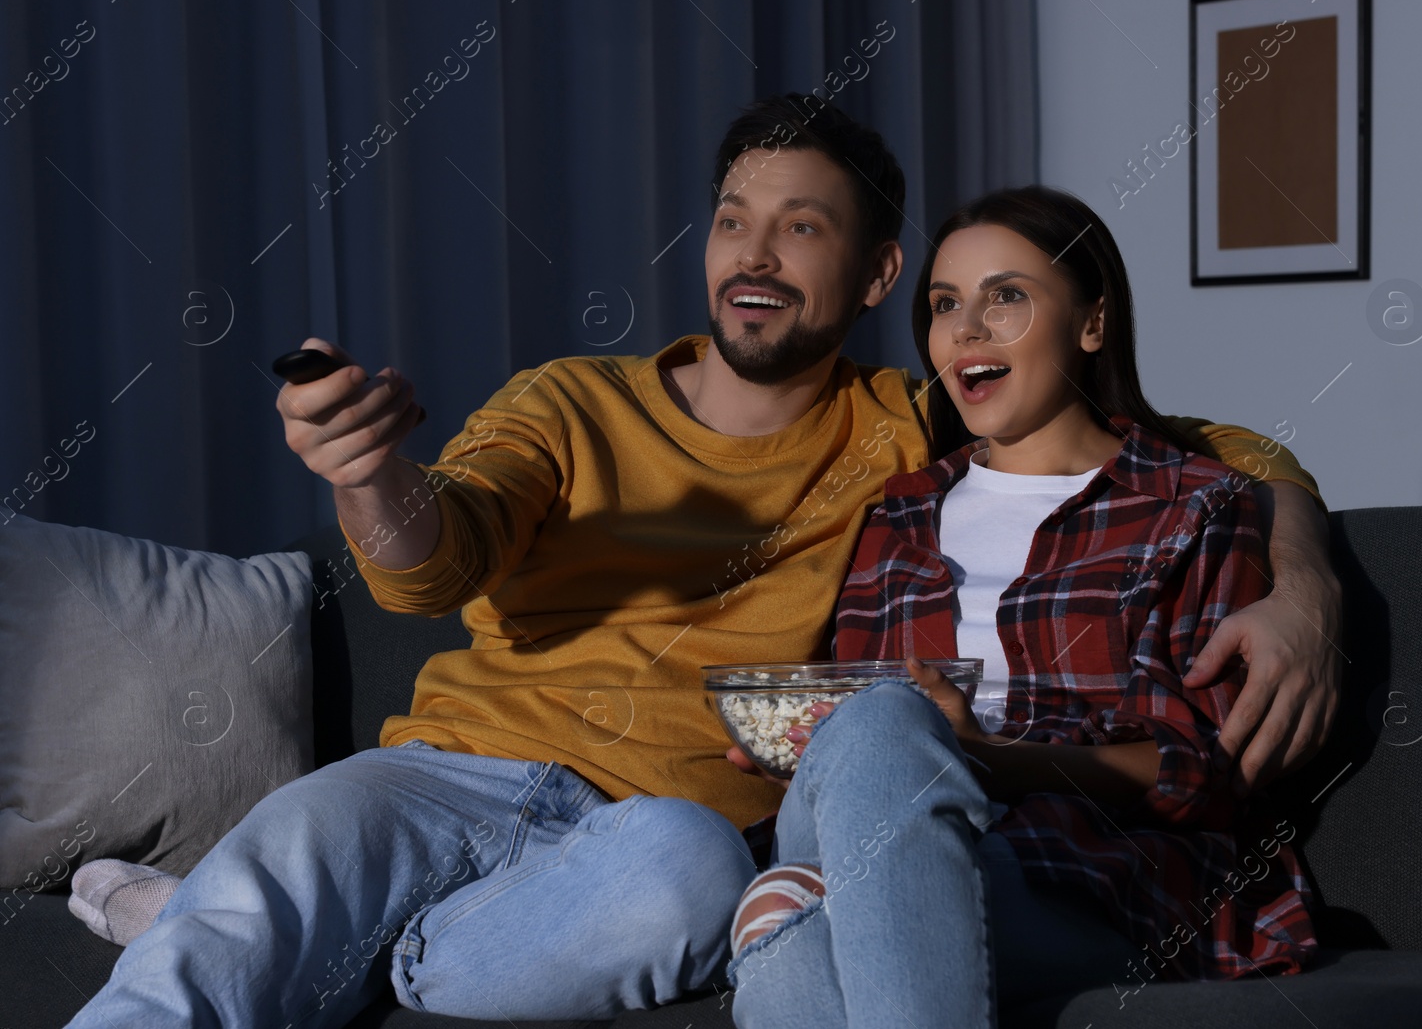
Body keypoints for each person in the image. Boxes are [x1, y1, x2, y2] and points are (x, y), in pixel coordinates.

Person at [65, 95, 1336, 1027]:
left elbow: (1189, 442)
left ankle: (352, 958)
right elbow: (433, 556)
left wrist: (1304, 583)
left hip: (650, 837)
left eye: (800, 228)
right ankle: (230, 930)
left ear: (875, 269)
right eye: (735, 220)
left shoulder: (910, 423)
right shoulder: (571, 400)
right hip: (449, 775)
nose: (754, 254)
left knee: (696, 875)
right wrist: (366, 475)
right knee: (263, 892)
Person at [724, 186, 1317, 1027]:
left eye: (1006, 296)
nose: (966, 329)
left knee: (789, 919)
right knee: (871, 735)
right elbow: (868, 727)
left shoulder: (1190, 507)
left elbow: (1208, 775)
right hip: (889, 831)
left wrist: (985, 755)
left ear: (1092, 323)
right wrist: (807, 743)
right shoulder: (896, 515)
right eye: (943, 304)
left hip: (1088, 871)